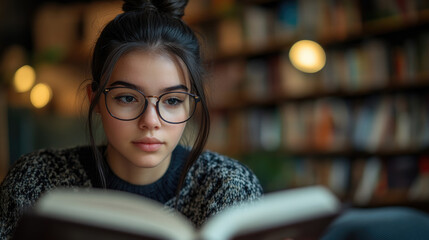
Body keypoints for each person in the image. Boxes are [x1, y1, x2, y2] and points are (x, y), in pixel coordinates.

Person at [0, 0, 263, 239]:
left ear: (191, 104)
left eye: (172, 101)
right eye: (127, 98)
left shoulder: (227, 186)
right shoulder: (37, 182)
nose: (150, 121)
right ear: (96, 99)